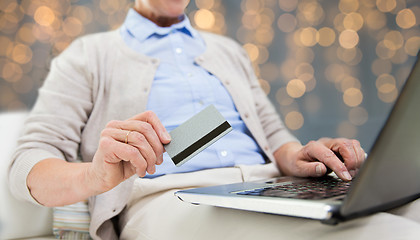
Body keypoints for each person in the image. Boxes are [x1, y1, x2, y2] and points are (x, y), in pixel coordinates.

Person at [8, 0, 420, 239]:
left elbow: (274, 134)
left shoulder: (228, 51)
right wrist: (95, 178)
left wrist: (299, 155)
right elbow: (26, 165)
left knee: (409, 212)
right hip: (170, 198)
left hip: (269, 185)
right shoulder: (87, 55)